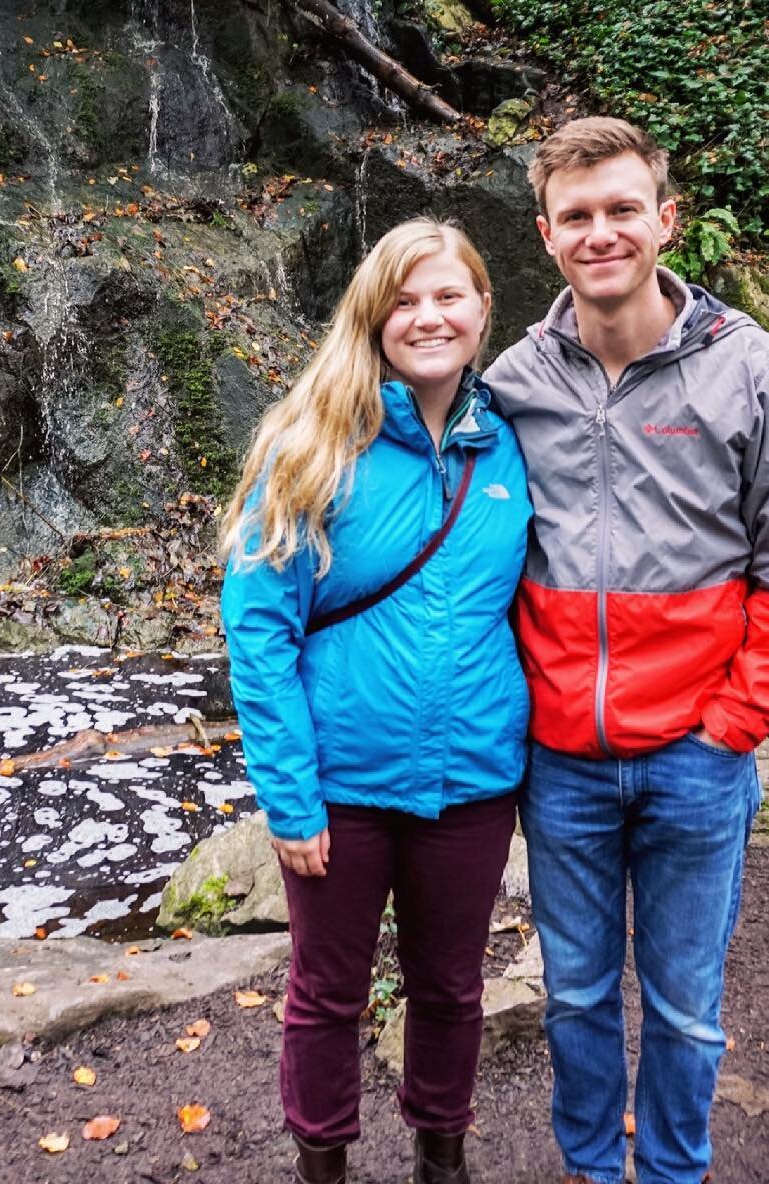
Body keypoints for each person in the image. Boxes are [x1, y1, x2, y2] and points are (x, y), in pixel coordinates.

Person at [484, 117, 769, 1184]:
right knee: (578, 994)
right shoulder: (515, 381)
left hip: (699, 753)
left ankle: (676, 1173)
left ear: (665, 219)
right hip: (562, 762)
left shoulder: (763, 375)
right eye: (578, 217)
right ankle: (596, 1170)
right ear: (547, 234)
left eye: (622, 210)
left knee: (687, 1008)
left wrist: (737, 720)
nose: (602, 234)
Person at [220, 217, 533, 1184]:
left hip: (472, 780)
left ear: (484, 308)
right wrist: (291, 798)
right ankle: (325, 1165)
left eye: (449, 296)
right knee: (327, 993)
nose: (428, 317)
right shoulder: (313, 445)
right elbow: (258, 630)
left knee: (451, 987)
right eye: (404, 299)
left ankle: (443, 1160)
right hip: (342, 787)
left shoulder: (514, 447)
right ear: (372, 315)